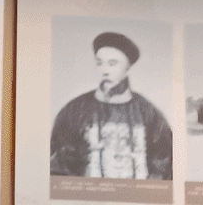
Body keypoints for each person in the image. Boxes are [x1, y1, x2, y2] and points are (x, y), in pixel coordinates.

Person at [48, 31, 173, 180]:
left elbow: (164, 163)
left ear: (127, 67)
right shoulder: (75, 110)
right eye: (99, 63)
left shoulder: (148, 112)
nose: (105, 71)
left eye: (112, 64)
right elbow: (58, 166)